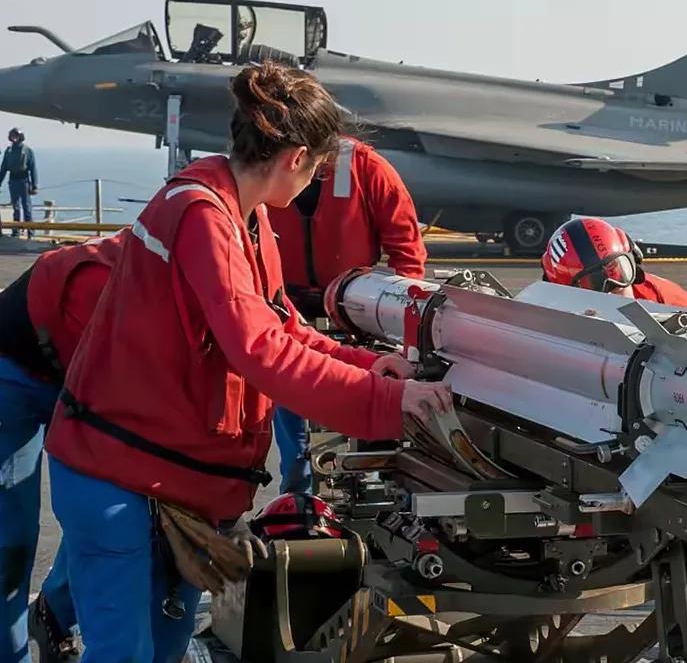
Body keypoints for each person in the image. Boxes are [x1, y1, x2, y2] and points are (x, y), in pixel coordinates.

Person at [42, 61, 450, 663]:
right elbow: (259, 352)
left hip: (174, 484)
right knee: (124, 654)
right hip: (122, 478)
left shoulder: (247, 218)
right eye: (316, 168)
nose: (313, 182)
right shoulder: (203, 216)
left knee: (163, 647)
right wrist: (388, 404)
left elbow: (280, 324)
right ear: (295, 159)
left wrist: (366, 367)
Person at [542, 217, 687, 663]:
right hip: (604, 434)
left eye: (617, 273)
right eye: (592, 282)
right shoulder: (551, 310)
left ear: (635, 264)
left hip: (681, 433)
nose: (610, 289)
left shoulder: (670, 301)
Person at [267, 136, 426, 494]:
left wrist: (395, 311)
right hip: (286, 309)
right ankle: (298, 498)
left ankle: (374, 487)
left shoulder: (367, 168)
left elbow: (407, 247)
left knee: (368, 407)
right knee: (290, 411)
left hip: (356, 314)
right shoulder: (270, 163)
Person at [0, 230, 124, 662]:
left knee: (110, 519)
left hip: (86, 374)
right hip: (14, 366)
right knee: (9, 542)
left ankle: (52, 609)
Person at [541, 217, 687, 310]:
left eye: (618, 272)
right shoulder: (540, 318)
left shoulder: (672, 305)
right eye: (593, 283)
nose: (612, 294)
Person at [0, 127, 38, 239]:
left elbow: (33, 168)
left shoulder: (27, 150)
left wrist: (35, 185)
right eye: (12, 135)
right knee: (15, 208)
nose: (14, 138)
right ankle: (15, 232)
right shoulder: (8, 151)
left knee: (27, 207)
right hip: (13, 181)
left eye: (16, 135)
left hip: (24, 181)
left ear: (20, 137)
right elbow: (3, 168)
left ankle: (30, 233)